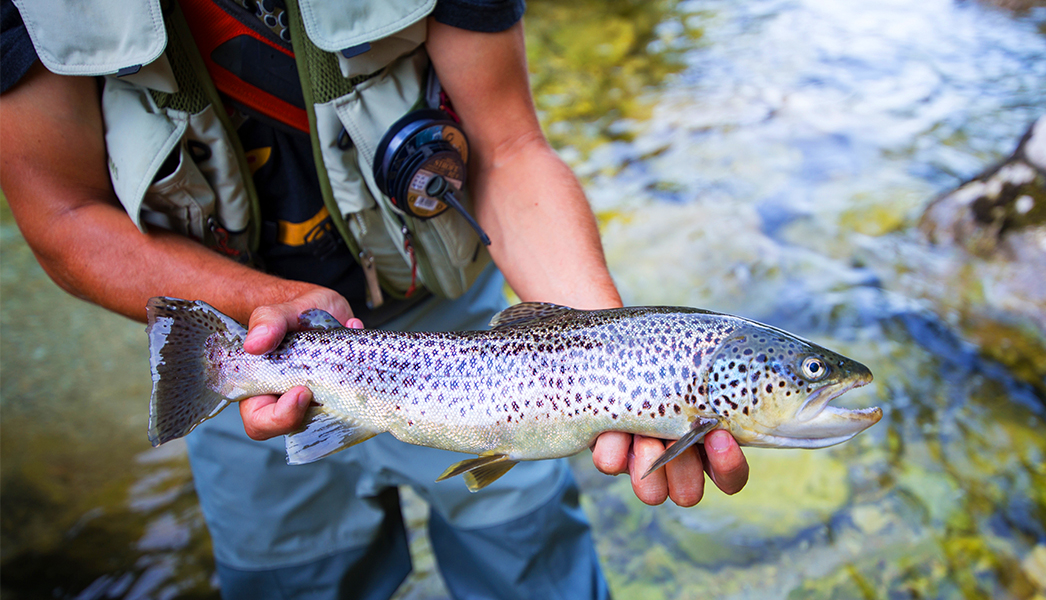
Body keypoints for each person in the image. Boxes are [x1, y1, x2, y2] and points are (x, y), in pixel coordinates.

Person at [0, 0, 750, 597]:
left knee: (531, 565)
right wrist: (254, 301)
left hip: (477, 338)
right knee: (295, 581)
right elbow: (61, 217)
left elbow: (509, 149)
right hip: (251, 341)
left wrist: (608, 345)